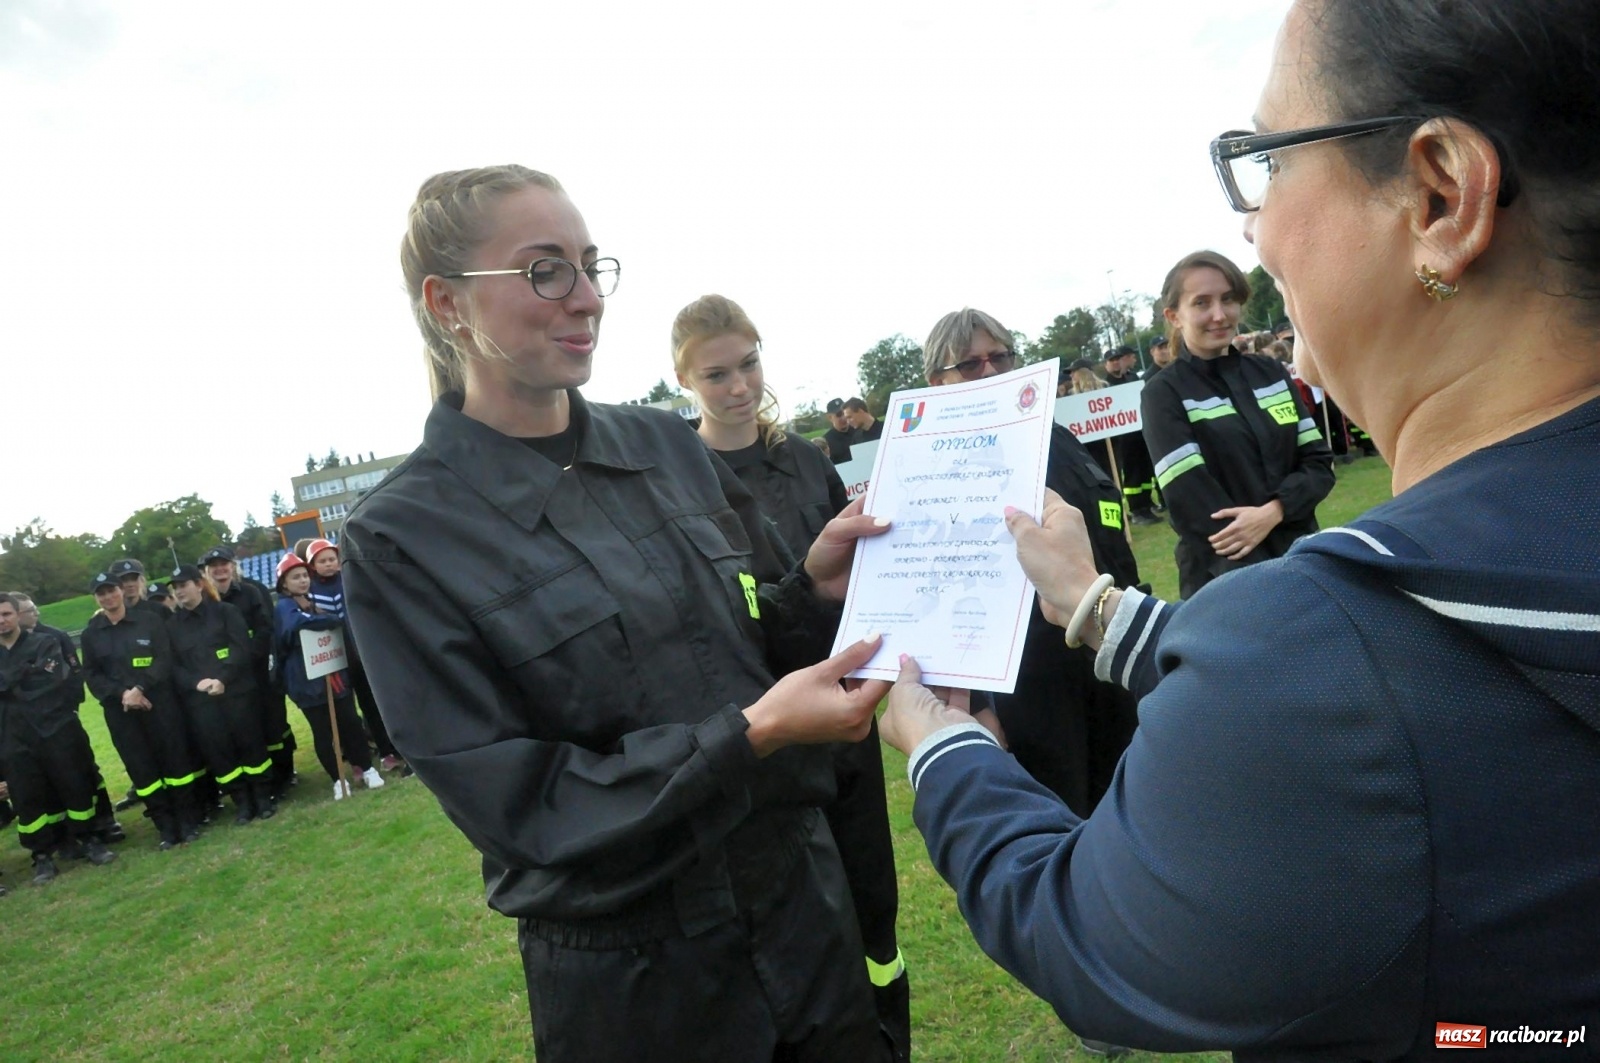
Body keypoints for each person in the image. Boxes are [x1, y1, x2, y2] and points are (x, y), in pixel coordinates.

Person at [840, 0, 1600, 1055]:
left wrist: (942, 747)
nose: (1253, 228)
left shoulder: (1323, 647)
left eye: (1267, 161)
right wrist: (1095, 605)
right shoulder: (1345, 634)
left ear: (1439, 194)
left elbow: (1086, 927)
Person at [341, 163, 898, 1062]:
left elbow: (749, 639)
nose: (588, 297)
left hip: (804, 911)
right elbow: (516, 799)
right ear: (448, 304)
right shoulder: (404, 536)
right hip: (640, 974)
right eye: (545, 270)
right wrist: (749, 734)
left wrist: (813, 591)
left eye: (591, 265)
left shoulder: (664, 443)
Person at [671, 294, 908, 1060]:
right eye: (717, 374)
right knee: (805, 912)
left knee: (872, 898)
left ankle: (890, 1038)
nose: (740, 385)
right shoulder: (677, 481)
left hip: (847, 712)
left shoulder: (805, 457)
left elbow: (863, 571)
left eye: (748, 364)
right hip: (765, 731)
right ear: (683, 379)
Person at [921, 311, 1142, 819]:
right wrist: (977, 705)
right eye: (970, 364)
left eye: (1000, 357)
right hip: (1026, 682)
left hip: (1105, 654)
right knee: (1062, 819)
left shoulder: (1054, 436)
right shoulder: (935, 471)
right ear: (937, 383)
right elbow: (943, 595)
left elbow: (1107, 528)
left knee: (1131, 807)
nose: (990, 371)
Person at [1140, 249, 1335, 598]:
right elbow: (1192, 501)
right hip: (1227, 582)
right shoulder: (1163, 393)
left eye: (1228, 299)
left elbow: (1319, 465)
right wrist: (1264, 575)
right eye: (1201, 303)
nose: (1219, 314)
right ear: (1174, 316)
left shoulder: (1271, 373)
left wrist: (1275, 511)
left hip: (1304, 562)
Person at [80, 571, 204, 848]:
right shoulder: (91, 634)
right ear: (96, 598)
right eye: (101, 593)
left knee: (175, 762)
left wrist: (140, 688)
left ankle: (187, 820)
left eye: (112, 590)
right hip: (121, 712)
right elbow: (92, 674)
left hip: (158, 704)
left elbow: (164, 658)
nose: (108, 597)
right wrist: (123, 694)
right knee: (142, 769)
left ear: (121, 591)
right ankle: (165, 826)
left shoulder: (149, 620)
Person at [0, 592, 116, 884]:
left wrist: (9, 684)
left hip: (55, 729)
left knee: (74, 783)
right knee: (27, 796)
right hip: (12, 737)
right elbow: (29, 679)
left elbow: (49, 681)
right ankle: (42, 856)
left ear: (17, 615)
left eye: (6, 614)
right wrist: (24, 673)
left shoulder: (44, 642)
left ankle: (89, 839)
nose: (2, 621)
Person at [166, 565, 276, 824]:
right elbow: (173, 666)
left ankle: (263, 797)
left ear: (199, 584)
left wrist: (222, 679)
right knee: (220, 752)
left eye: (184, 585)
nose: (179, 591)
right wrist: (197, 683)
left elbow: (241, 648)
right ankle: (241, 802)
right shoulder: (172, 626)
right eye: (175, 587)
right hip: (202, 702)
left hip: (237, 692)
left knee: (251, 745)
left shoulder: (226, 612)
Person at [271, 553, 382, 800]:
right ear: (284, 584)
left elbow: (330, 621)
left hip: (334, 676)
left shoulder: (312, 604)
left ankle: (367, 768)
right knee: (323, 733)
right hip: (306, 683)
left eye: (304, 576)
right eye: (295, 577)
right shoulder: (283, 608)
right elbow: (297, 625)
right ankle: (338, 780)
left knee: (351, 724)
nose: (302, 581)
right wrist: (324, 620)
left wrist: (321, 619)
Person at [302, 539, 406, 775]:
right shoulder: (309, 592)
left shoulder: (348, 580)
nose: (329, 564)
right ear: (313, 565)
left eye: (332, 559)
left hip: (360, 655)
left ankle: (387, 752)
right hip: (334, 662)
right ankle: (357, 760)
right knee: (345, 715)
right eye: (322, 561)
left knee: (373, 706)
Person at [201, 546, 296, 798]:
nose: (220, 570)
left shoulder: (252, 592)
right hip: (230, 678)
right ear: (206, 572)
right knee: (249, 732)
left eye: (224, 564)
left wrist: (246, 657)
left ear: (233, 566)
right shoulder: (206, 602)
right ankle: (262, 782)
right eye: (213, 566)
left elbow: (265, 629)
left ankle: (285, 776)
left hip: (259, 670)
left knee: (273, 725)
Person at [1101, 346, 1160, 526]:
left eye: (1118, 359)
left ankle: (1147, 504)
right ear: (1105, 365)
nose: (1116, 363)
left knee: (1144, 472)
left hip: (1140, 433)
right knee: (1132, 476)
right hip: (1123, 439)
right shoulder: (1104, 385)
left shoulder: (1132, 378)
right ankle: (1136, 510)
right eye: (1112, 360)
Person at [822, 398, 857, 465]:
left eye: (844, 413)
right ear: (830, 417)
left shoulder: (858, 431)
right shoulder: (826, 442)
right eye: (839, 415)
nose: (843, 418)